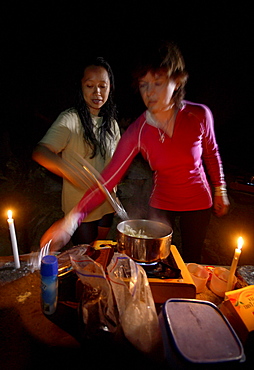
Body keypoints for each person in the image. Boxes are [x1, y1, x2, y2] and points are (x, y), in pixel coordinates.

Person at [40, 41, 230, 263]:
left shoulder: (198, 115)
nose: (149, 93)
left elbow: (211, 153)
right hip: (162, 202)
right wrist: (70, 221)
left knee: (192, 259)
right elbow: (107, 180)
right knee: (155, 259)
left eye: (158, 83)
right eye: (143, 85)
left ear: (176, 82)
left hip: (198, 199)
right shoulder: (138, 131)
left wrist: (220, 189)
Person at [33, 57, 121, 245]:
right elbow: (41, 151)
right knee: (85, 255)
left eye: (102, 86)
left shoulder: (112, 124)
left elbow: (118, 161)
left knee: (99, 248)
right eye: (90, 85)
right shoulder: (70, 119)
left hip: (107, 203)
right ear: (81, 87)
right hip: (80, 208)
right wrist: (66, 169)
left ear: (109, 88)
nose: (97, 92)